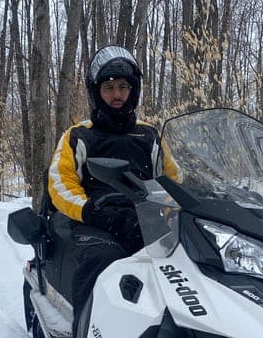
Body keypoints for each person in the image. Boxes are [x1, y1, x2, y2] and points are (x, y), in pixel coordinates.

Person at [47, 46, 177, 322]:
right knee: (102, 263)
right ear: (96, 92)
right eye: (108, 87)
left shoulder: (150, 135)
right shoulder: (79, 135)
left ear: (134, 90)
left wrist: (170, 211)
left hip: (145, 221)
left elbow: (174, 181)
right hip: (94, 222)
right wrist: (94, 212)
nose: (116, 94)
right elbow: (60, 183)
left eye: (122, 86)